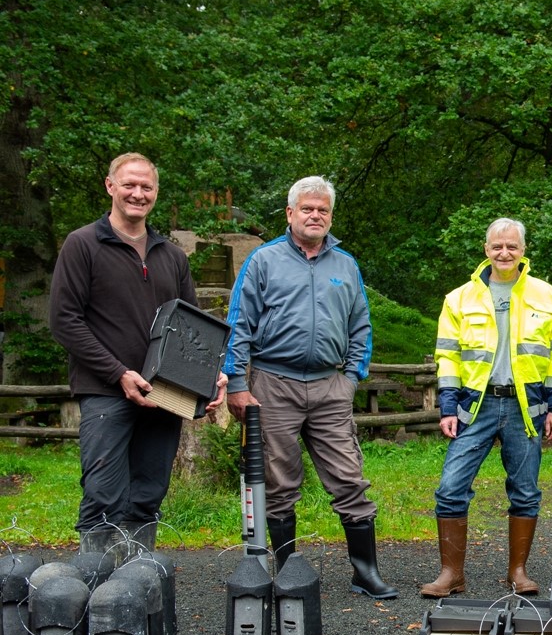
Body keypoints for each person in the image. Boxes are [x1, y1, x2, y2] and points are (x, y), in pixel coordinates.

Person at [223, 176, 396, 599]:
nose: (315, 215)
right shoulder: (263, 261)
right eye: (307, 208)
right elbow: (238, 324)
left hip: (329, 386)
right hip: (272, 384)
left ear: (330, 215)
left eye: (322, 209)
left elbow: (361, 323)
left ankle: (365, 572)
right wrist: (238, 384)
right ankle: (287, 571)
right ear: (290, 213)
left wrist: (353, 375)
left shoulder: (346, 265)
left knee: (349, 477)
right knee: (279, 481)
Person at [50, 153, 227, 558]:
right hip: (105, 391)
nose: (138, 193)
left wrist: (209, 376)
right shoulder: (83, 245)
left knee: (148, 493)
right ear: (110, 187)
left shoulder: (172, 255)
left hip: (165, 393)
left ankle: (134, 591)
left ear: (156, 193)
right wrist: (118, 372)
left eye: (146, 187)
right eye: (129, 184)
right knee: (103, 495)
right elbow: (65, 321)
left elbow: (194, 331)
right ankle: (97, 593)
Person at [423, 218, 552, 598]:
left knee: (525, 491)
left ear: (523, 251)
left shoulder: (547, 296)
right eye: (497, 247)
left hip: (526, 407)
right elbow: (448, 357)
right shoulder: (459, 299)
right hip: (475, 406)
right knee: (450, 488)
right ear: (486, 249)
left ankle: (518, 572)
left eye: (512, 247)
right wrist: (447, 407)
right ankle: (451, 573)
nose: (504, 253)